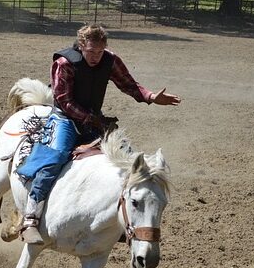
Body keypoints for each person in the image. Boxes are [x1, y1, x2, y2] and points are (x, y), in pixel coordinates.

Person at [18, 24, 181, 244]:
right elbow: (64, 100)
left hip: (94, 119)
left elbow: (129, 84)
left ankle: (125, 219)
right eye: (91, 52)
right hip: (65, 119)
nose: (96, 57)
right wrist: (91, 119)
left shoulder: (110, 60)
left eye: (100, 51)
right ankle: (31, 218)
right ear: (81, 46)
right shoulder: (64, 63)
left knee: (128, 161)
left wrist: (150, 96)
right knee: (54, 158)